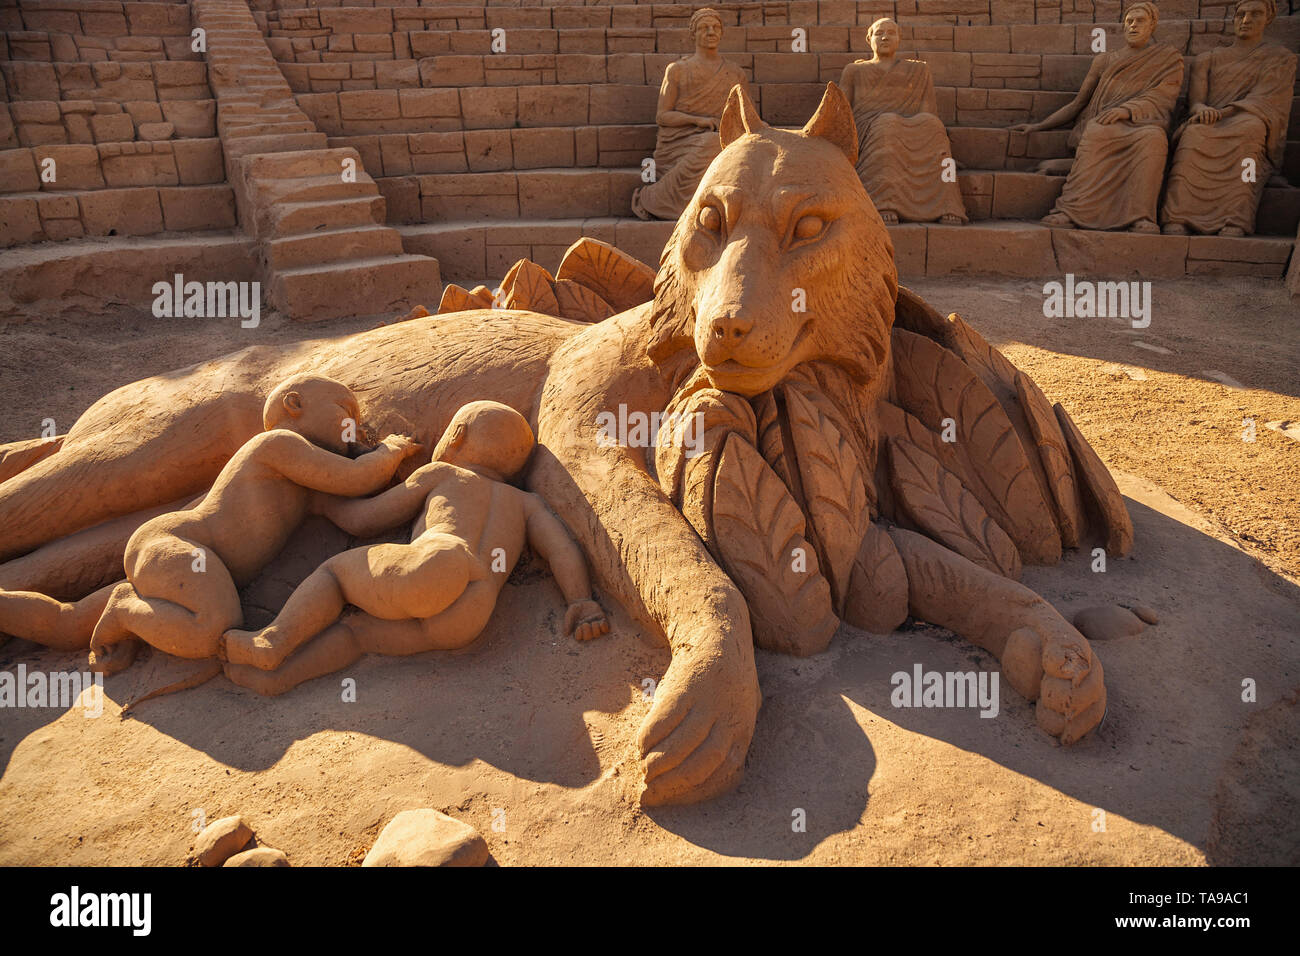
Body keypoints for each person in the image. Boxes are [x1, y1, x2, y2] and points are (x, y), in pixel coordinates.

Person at [220, 401, 609, 695]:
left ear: (455, 436)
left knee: (335, 575)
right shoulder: (525, 503)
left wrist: (322, 503)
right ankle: (276, 679)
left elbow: (366, 520)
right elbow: (561, 551)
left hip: (439, 561)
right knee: (359, 635)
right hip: (471, 614)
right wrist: (579, 600)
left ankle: (274, 641)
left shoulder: (442, 473)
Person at [82, 374, 420, 673]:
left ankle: (137, 611)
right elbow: (358, 479)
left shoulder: (312, 487)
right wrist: (389, 451)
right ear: (295, 404)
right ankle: (124, 611)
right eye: (346, 412)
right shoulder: (277, 444)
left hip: (191, 557)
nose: (354, 428)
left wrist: (425, 486)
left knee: (212, 626)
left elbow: (361, 519)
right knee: (213, 631)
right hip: (176, 544)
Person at [1011, 2, 1183, 232]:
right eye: (1129, 21)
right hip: (1104, 123)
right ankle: (1071, 209)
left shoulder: (1167, 59)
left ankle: (1141, 216)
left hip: (1143, 124)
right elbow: (1078, 103)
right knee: (1096, 129)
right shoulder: (1105, 60)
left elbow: (1164, 97)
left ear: (1152, 25)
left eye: (1140, 21)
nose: (1133, 26)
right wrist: (1039, 126)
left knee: (1154, 139)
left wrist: (1127, 110)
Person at [1160, 0, 1295, 236]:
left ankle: (1236, 219)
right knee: (1193, 133)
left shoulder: (1280, 57)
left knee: (1251, 129)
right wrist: (1201, 109)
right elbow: (1196, 101)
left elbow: (1267, 99)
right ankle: (1178, 216)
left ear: (1268, 19)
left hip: (1247, 118)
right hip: (1209, 120)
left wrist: (1226, 112)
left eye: (1255, 14)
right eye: (1241, 14)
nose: (1246, 20)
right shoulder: (1208, 58)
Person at [839, 18, 968, 225]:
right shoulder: (854, 71)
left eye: (891, 32)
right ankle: (884, 202)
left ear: (899, 39)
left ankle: (948, 204)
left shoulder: (918, 70)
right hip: (870, 126)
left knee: (932, 125)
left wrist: (944, 150)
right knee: (888, 123)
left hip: (908, 123)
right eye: (879, 33)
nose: (885, 37)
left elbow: (929, 110)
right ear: (868, 38)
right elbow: (842, 110)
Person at [631, 7, 747, 221]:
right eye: (704, 28)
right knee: (713, 143)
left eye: (715, 27)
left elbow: (745, 115)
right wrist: (698, 121)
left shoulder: (736, 73)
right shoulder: (678, 70)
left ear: (721, 33)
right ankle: (655, 199)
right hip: (679, 139)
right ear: (693, 34)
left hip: (721, 135)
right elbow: (663, 116)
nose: (711, 32)